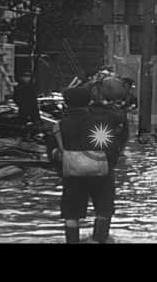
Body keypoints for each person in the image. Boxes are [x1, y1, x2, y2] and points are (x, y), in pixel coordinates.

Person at [54, 85, 128, 244]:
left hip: (72, 175)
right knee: (104, 209)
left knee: (71, 213)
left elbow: (54, 154)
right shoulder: (99, 123)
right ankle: (98, 239)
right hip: (101, 173)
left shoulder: (60, 125)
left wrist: (64, 171)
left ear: (66, 103)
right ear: (89, 101)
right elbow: (110, 147)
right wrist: (109, 165)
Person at [13, 71, 41, 135]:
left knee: (36, 123)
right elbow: (16, 98)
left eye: (28, 77)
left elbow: (34, 99)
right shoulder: (19, 87)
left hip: (32, 108)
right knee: (23, 123)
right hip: (23, 108)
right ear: (22, 78)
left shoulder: (31, 87)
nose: (27, 78)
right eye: (25, 77)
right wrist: (21, 104)